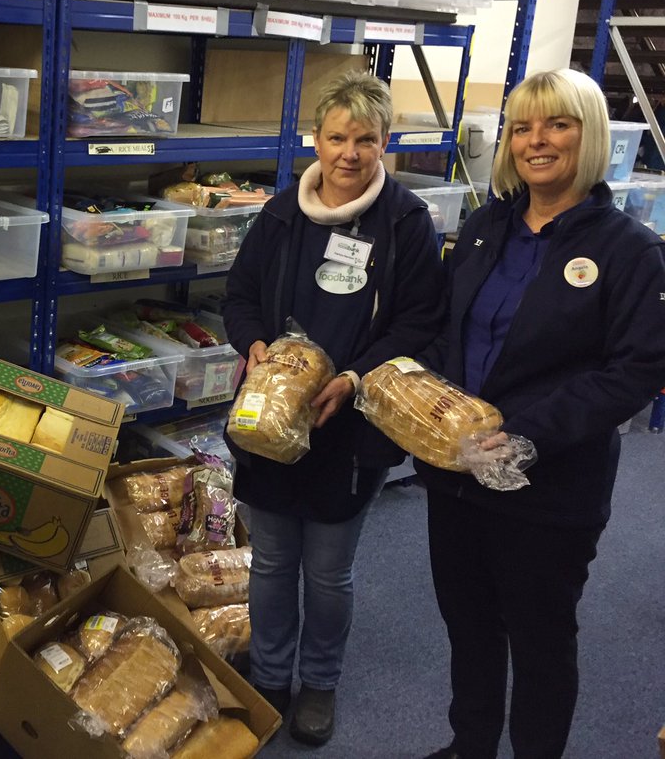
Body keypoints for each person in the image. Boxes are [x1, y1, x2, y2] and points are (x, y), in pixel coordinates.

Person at [418, 69, 665, 759]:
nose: (537, 140)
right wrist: (419, 397)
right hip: (456, 476)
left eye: (558, 124)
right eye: (523, 127)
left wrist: (523, 436)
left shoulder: (628, 250)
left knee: (539, 640)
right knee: (468, 626)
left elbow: (637, 370)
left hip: (549, 487)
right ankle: (470, 745)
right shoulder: (483, 227)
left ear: (587, 138)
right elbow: (448, 331)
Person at [222, 70, 446, 746]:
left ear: (386, 143)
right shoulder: (281, 214)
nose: (350, 153)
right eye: (338, 137)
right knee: (268, 559)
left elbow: (419, 322)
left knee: (327, 567)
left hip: (350, 424)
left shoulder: (406, 221)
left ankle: (318, 681)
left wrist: (350, 379)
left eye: (367, 139)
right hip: (270, 416)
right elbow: (238, 296)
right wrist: (253, 344)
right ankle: (268, 677)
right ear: (314, 139)